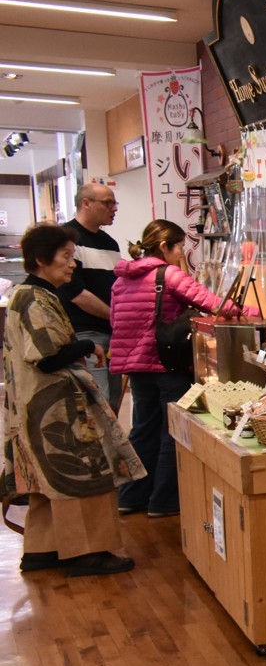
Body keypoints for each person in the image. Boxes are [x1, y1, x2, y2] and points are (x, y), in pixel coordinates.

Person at [2, 223, 145, 576]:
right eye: (65, 257)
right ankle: (86, 552)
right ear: (41, 259)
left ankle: (42, 549)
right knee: (82, 475)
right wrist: (88, 345)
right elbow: (48, 357)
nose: (72, 264)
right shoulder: (34, 297)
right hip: (54, 407)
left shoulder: (29, 294)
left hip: (37, 405)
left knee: (47, 482)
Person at [111, 219, 258, 518]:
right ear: (164, 246)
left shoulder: (121, 280)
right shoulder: (168, 274)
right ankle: (164, 502)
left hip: (136, 366)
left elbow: (115, 320)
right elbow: (213, 304)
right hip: (166, 363)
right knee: (172, 431)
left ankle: (131, 497)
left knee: (142, 430)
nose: (181, 253)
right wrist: (252, 311)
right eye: (179, 246)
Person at [61, 182, 123, 407]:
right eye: (107, 203)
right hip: (85, 333)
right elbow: (76, 293)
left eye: (115, 203)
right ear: (86, 203)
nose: (113, 209)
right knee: (98, 401)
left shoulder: (110, 243)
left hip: (112, 332)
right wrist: (115, 316)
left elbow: (117, 287)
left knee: (113, 400)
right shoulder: (67, 239)